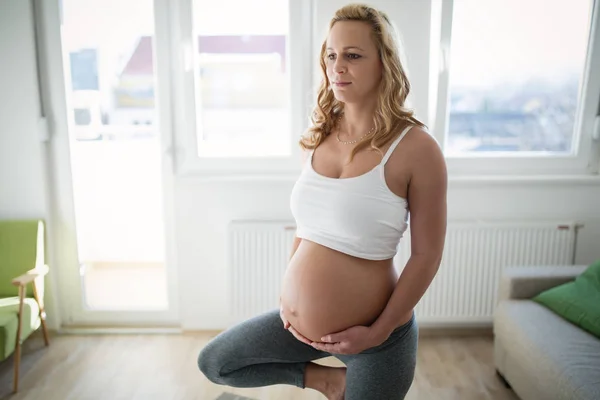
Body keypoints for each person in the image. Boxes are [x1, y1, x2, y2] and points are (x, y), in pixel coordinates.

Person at [198, 3, 447, 399]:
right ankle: (328, 382)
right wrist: (290, 292)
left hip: (376, 337)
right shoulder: (319, 135)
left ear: (384, 63)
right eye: (331, 55)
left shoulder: (417, 148)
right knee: (217, 362)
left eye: (352, 55)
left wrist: (377, 331)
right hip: (297, 328)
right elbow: (308, 226)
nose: (337, 66)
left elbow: (427, 256)